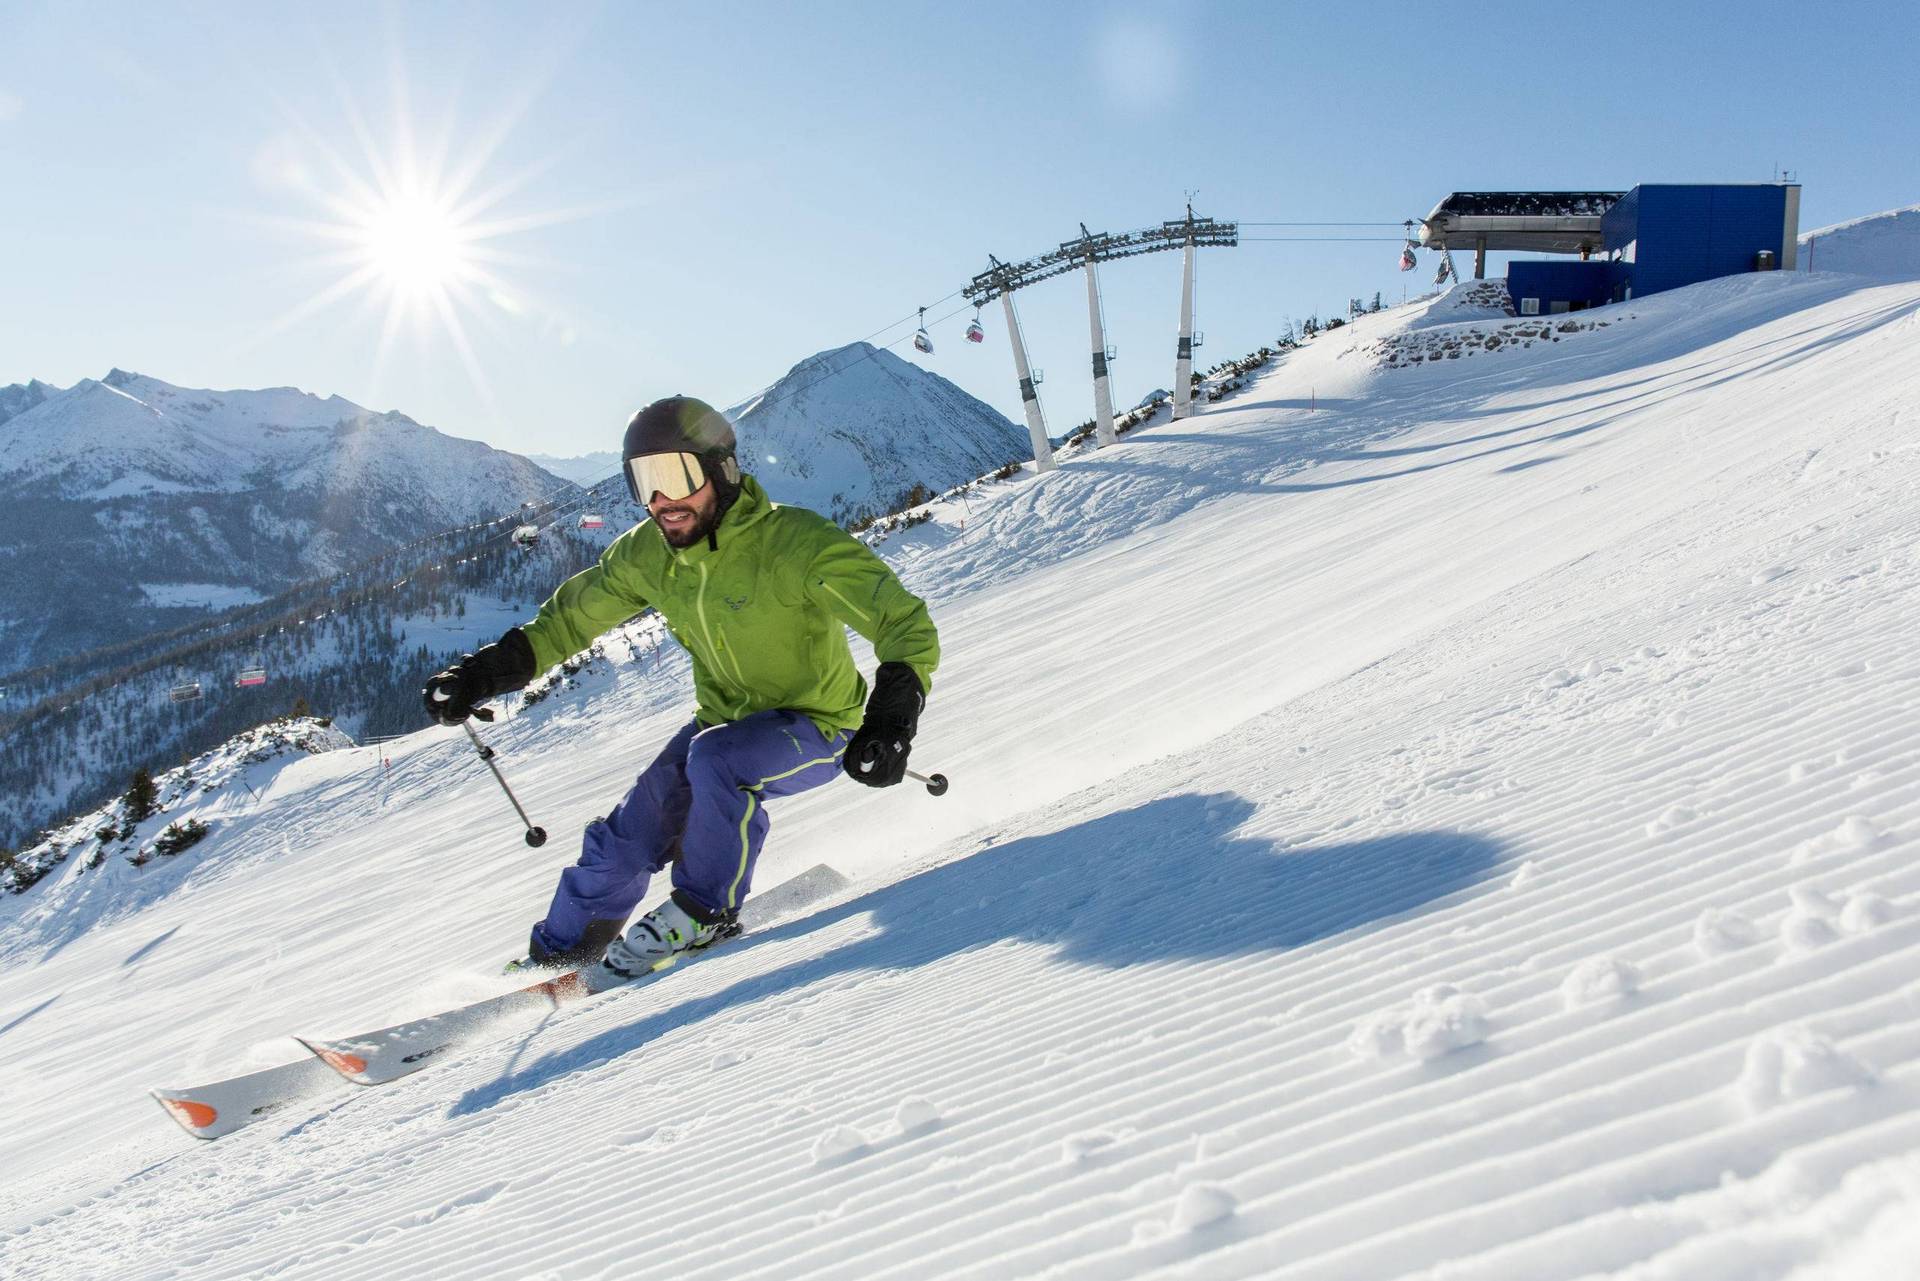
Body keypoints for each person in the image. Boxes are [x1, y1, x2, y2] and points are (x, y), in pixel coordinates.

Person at [421, 396, 939, 981]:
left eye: (676, 476)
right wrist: (481, 675)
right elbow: (569, 621)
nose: (662, 501)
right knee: (623, 841)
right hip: (721, 724)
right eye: (645, 481)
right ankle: (559, 957)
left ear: (720, 470)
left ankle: (704, 913)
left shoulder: (795, 543)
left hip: (821, 726)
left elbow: (904, 623)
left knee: (719, 759)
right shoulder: (649, 554)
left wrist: (892, 719)